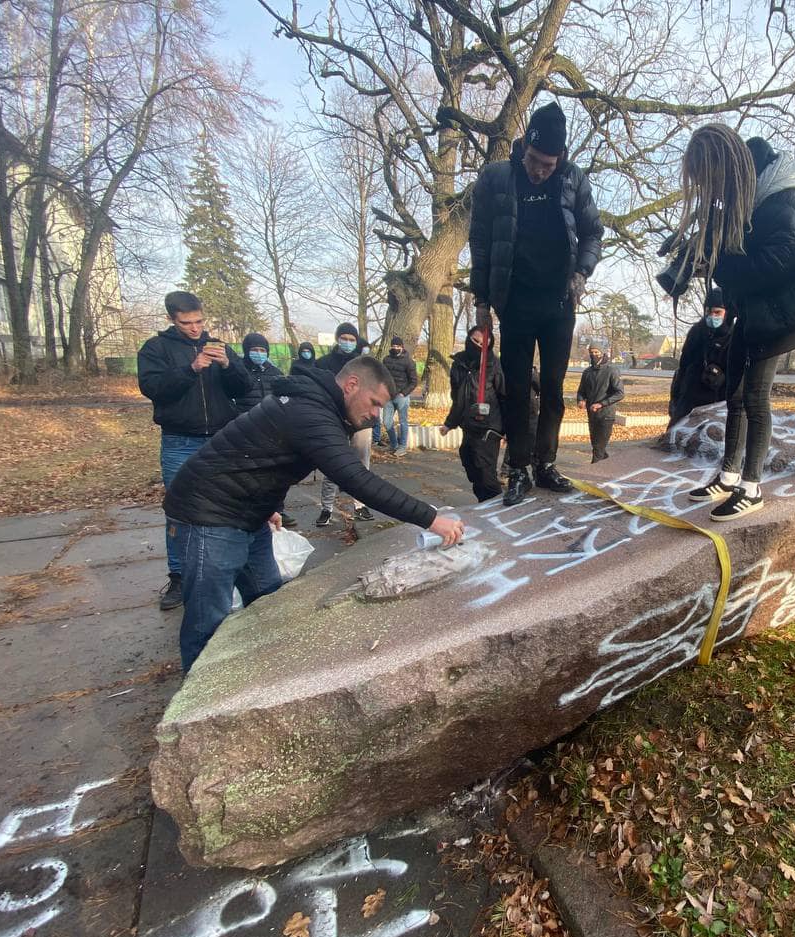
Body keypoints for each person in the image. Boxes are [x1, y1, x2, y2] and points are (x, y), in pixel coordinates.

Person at [163, 356, 464, 671]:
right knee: (207, 621)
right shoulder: (310, 413)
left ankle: (259, 680)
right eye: (375, 403)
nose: (376, 415)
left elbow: (268, 459)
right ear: (351, 385)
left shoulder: (316, 406)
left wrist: (270, 506)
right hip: (208, 515)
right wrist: (431, 519)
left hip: (248, 514)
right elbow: (357, 480)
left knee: (268, 603)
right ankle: (195, 709)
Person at [661, 129, 795, 521]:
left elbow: (773, 265)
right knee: (733, 396)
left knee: (754, 397)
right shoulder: (744, 198)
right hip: (750, 310)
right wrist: (695, 251)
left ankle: (751, 488)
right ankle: (728, 476)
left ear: (727, 168)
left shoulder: (784, 200)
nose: (711, 190)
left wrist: (717, 262)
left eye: (711, 179)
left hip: (783, 312)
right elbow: (735, 254)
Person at [468, 101, 604, 506]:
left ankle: (546, 463)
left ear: (560, 158)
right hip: (515, 301)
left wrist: (582, 272)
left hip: (559, 302)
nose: (539, 171)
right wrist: (481, 299)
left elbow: (593, 233)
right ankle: (519, 469)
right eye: (533, 160)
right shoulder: (496, 178)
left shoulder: (573, 180)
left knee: (553, 388)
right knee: (515, 391)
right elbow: (480, 240)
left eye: (547, 165)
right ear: (524, 145)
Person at [137, 290, 249, 610]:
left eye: (200, 321)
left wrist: (229, 365)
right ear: (172, 319)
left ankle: (225, 569)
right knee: (180, 510)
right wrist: (191, 368)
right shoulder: (156, 349)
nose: (196, 328)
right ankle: (180, 577)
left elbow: (244, 389)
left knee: (227, 505)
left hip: (220, 439)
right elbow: (154, 388)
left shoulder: (219, 346)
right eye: (187, 323)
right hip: (179, 442)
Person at [310, 323, 375, 524]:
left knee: (361, 465)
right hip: (335, 420)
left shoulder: (365, 364)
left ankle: (360, 505)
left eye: (351, 339)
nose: (347, 342)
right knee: (333, 464)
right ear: (337, 339)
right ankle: (327, 508)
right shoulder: (324, 363)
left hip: (361, 422)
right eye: (344, 338)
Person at [236, 331, 298, 529]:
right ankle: (251, 510)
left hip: (271, 428)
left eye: (262, 350)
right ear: (246, 351)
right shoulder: (238, 372)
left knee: (274, 474)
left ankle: (277, 509)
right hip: (245, 428)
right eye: (254, 350)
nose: (259, 353)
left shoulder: (274, 372)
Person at [441, 328, 507, 501]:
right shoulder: (459, 363)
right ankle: (483, 503)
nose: (478, 346)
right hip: (469, 425)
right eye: (475, 341)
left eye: (483, 344)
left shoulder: (494, 364)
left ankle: (496, 505)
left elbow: (504, 396)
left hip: (489, 427)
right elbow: (458, 398)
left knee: (485, 470)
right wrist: (449, 423)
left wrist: (509, 430)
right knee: (470, 463)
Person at [669, 289, 733, 424]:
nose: (712, 316)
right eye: (708, 311)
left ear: (727, 312)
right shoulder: (696, 332)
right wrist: (675, 398)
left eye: (717, 312)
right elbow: (683, 366)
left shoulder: (733, 337)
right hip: (689, 400)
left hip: (717, 403)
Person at [576, 344, 624, 462]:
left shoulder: (611, 371)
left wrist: (601, 404)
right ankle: (606, 462)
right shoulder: (587, 372)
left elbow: (620, 393)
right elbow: (581, 391)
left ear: (602, 353)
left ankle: (594, 472)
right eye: (591, 352)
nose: (593, 355)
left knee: (598, 448)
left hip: (606, 415)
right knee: (596, 445)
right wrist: (580, 400)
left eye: (596, 352)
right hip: (592, 414)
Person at [376, 336, 418, 456]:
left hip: (402, 397)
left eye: (397, 346)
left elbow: (414, 381)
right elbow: (382, 377)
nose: (395, 348)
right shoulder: (386, 360)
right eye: (393, 346)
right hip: (388, 396)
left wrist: (403, 393)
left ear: (402, 347)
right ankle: (393, 445)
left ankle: (402, 447)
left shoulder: (409, 362)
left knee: (403, 422)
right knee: (387, 422)